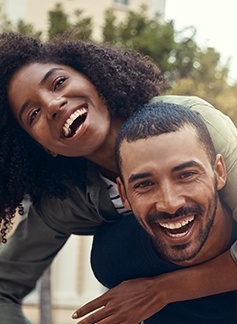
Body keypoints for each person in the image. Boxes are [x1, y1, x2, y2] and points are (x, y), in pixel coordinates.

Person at [0, 31, 236, 323]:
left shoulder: (193, 126)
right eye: (33, 114)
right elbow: (3, 287)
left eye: (59, 82)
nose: (52, 105)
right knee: (111, 255)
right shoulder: (65, 202)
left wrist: (162, 291)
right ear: (42, 147)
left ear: (93, 78)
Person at [88, 102, 237, 323]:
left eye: (186, 175)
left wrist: (161, 290)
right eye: (145, 184)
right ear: (124, 194)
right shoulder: (114, 258)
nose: (170, 204)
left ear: (219, 172)